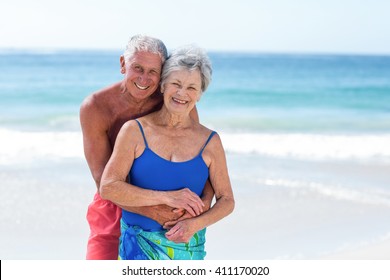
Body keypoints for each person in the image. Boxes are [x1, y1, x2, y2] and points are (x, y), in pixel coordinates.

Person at [80, 35, 214, 260]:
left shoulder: (175, 102)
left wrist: (201, 207)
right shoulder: (96, 106)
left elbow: (199, 159)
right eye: (137, 68)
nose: (144, 78)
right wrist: (152, 212)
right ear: (123, 64)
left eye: (153, 71)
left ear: (163, 74)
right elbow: (102, 181)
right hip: (114, 206)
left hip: (166, 208)